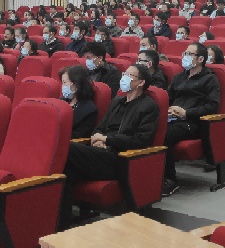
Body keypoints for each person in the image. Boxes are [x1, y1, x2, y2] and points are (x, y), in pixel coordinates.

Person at [60, 64, 158, 226]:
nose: (124, 77)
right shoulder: (117, 101)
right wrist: (98, 140)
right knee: (65, 172)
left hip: (120, 159)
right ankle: (62, 224)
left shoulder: (148, 106)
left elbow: (141, 140)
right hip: (100, 153)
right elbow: (99, 128)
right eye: (124, 73)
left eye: (129, 75)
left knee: (67, 148)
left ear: (140, 82)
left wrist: (107, 140)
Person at [163, 42, 220, 196]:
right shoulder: (179, 77)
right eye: (185, 53)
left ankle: (170, 180)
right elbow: (168, 98)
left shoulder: (210, 79)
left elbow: (212, 107)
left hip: (192, 122)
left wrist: (186, 113)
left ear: (200, 59)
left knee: (164, 135)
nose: (185, 57)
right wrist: (167, 109)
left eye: (189, 54)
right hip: (172, 117)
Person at [59, 65, 98, 139]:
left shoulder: (89, 109)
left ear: (76, 84)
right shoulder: (61, 102)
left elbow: (79, 135)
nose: (62, 86)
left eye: (65, 83)